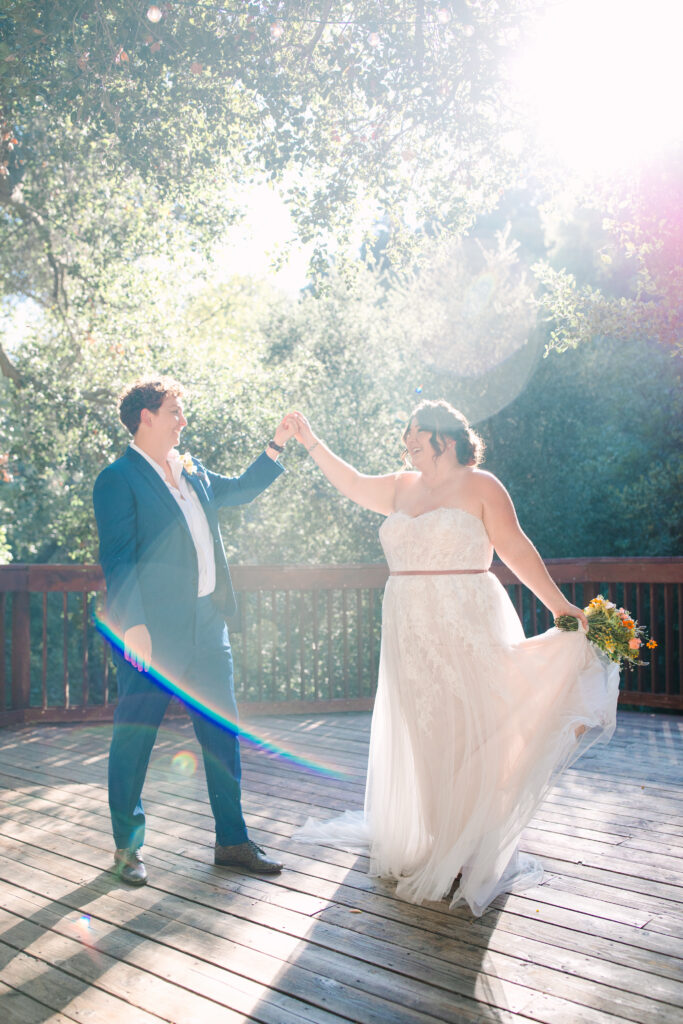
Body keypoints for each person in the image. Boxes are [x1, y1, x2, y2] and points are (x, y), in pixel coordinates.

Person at [291, 400, 619, 916]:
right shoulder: (401, 485)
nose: (407, 442)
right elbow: (352, 482)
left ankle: (469, 848)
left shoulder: (482, 485)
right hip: (408, 626)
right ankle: (443, 838)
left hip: (467, 620)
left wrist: (559, 606)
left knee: (474, 729)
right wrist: (310, 441)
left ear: (443, 436)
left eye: (414, 433)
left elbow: (514, 546)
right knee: (428, 735)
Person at [93, 376, 294, 885]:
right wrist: (133, 625)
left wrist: (277, 444)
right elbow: (117, 560)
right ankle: (127, 849)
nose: (183, 419)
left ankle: (232, 841)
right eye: (174, 410)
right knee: (134, 740)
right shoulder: (118, 479)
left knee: (222, 735)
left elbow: (242, 490)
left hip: (209, 625)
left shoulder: (193, 469)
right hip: (152, 634)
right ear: (147, 417)